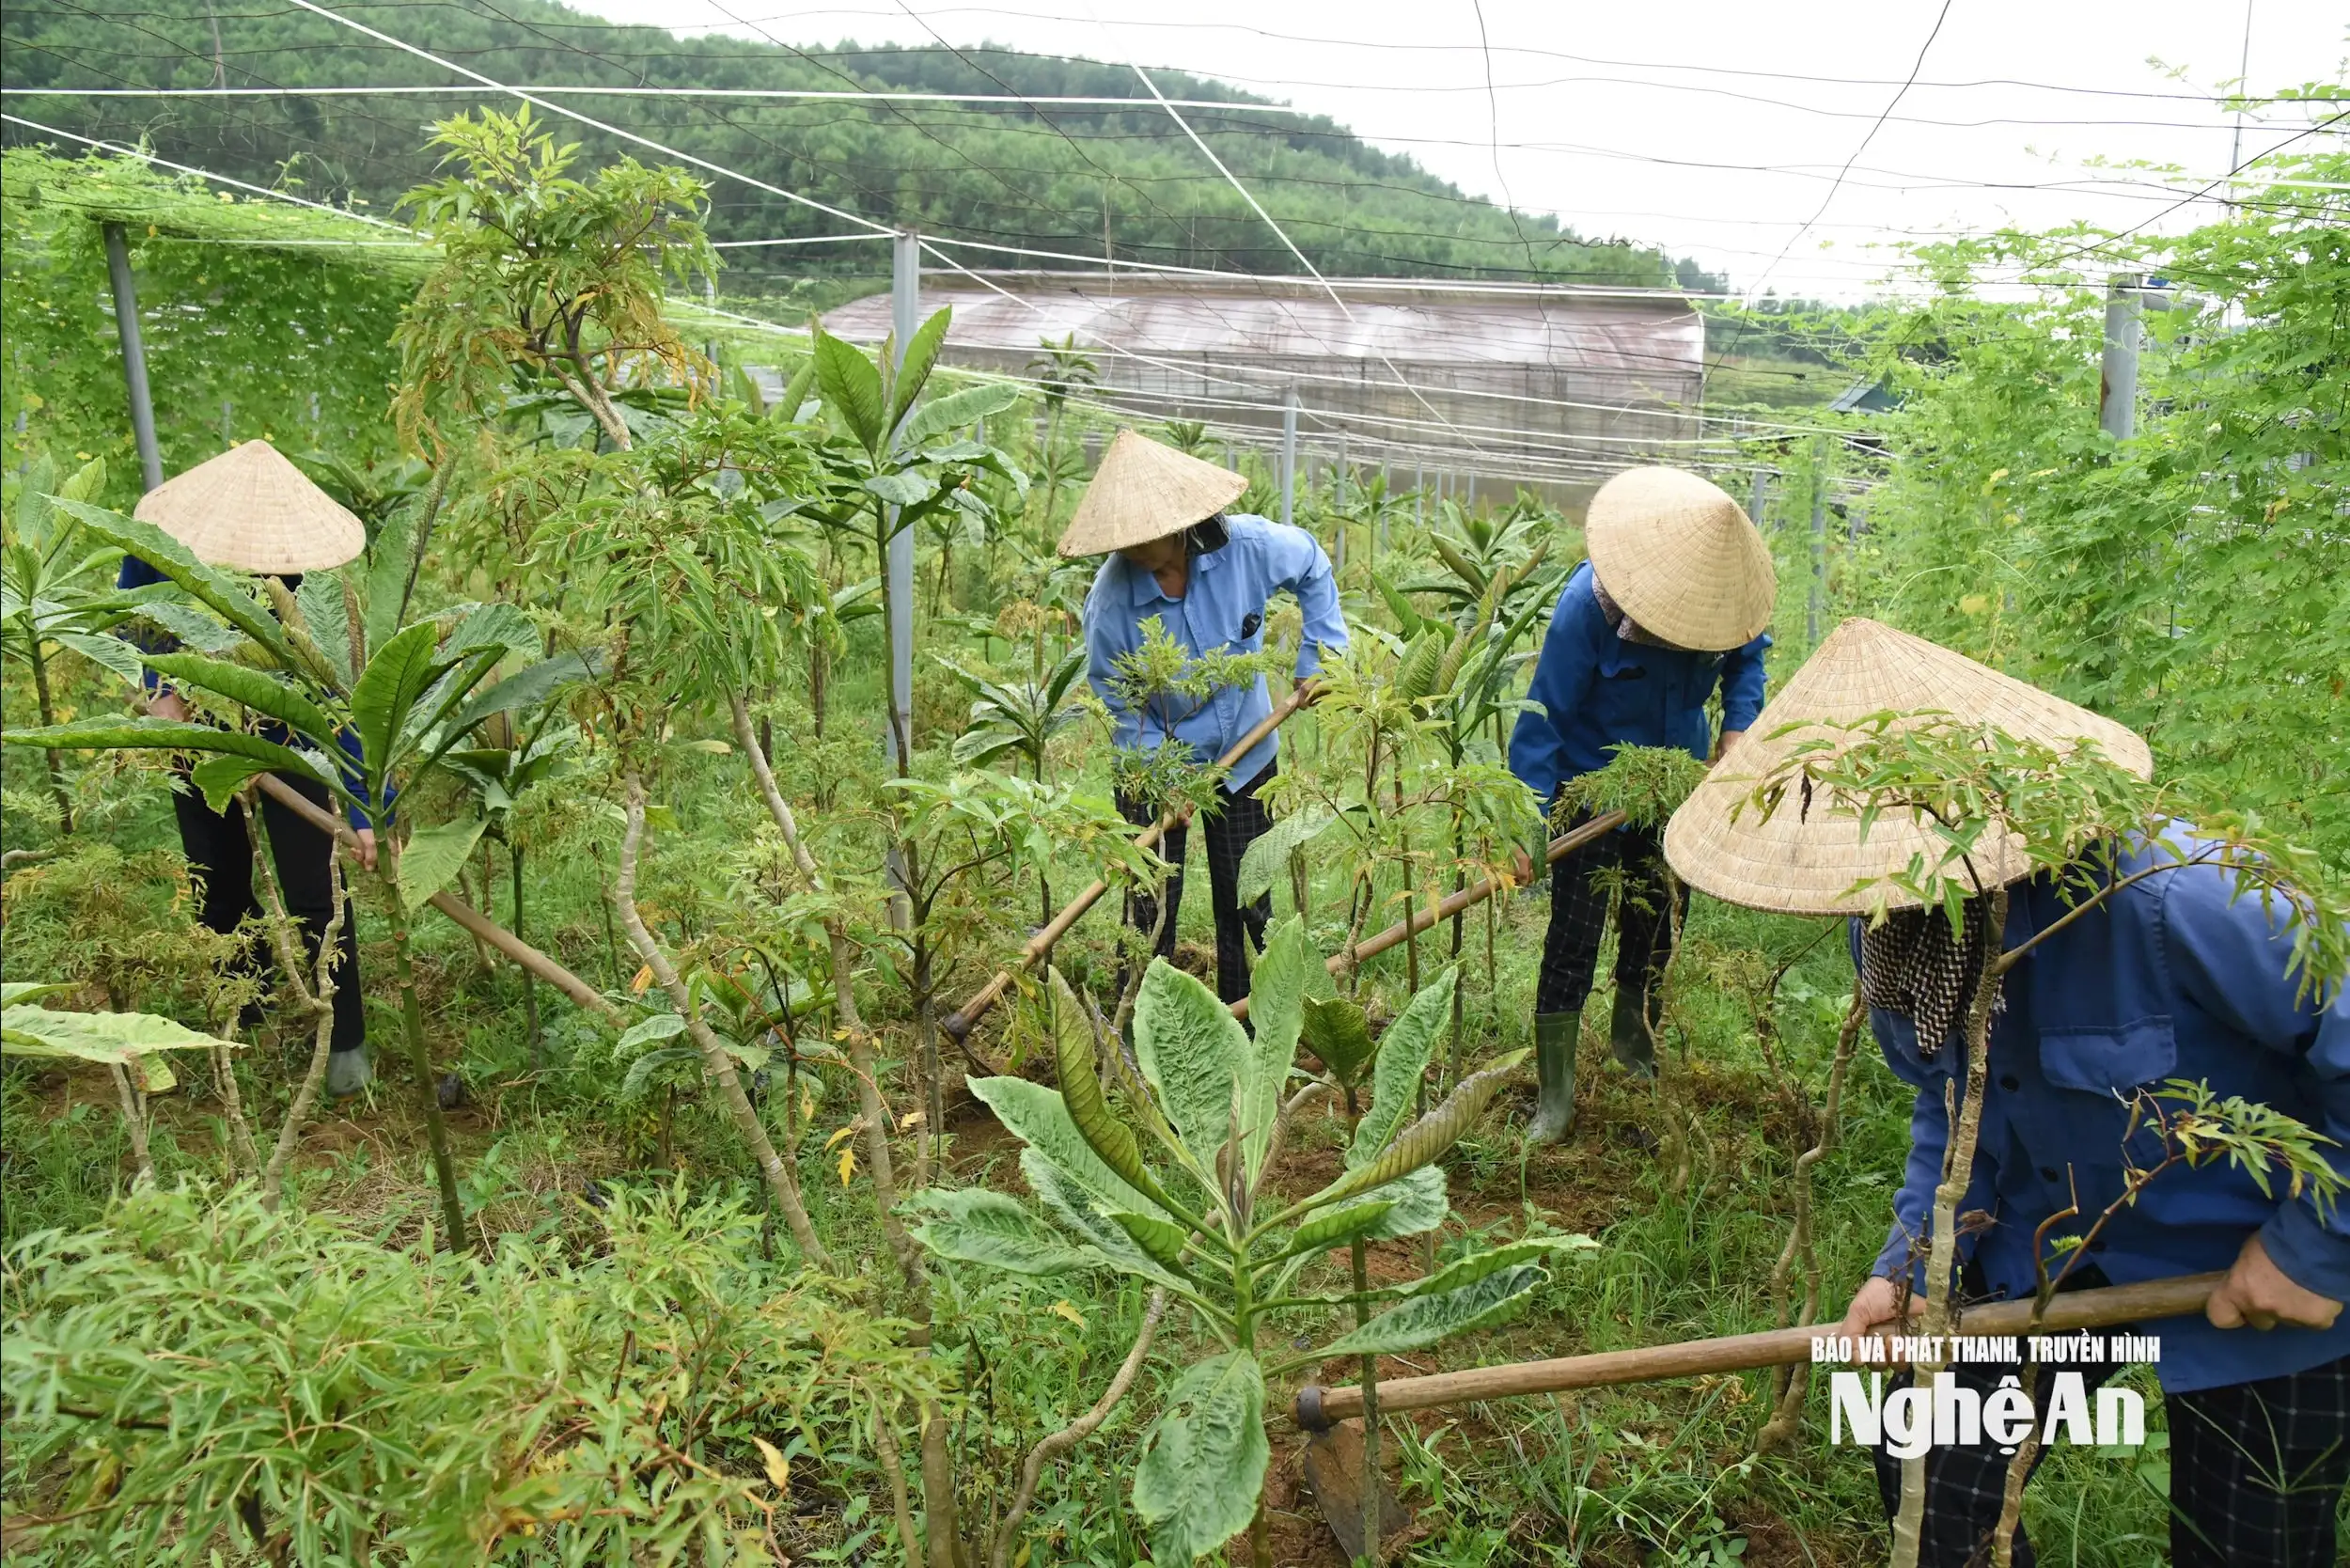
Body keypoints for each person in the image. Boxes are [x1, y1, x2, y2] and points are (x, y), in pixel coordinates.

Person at [1664, 617, 2350, 1568]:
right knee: (1926, 1463)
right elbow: (1952, 1106)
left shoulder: (2183, 899)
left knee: (2251, 1537)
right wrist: (1908, 1264)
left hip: (2253, 1263)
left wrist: (2313, 1248)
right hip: (2042, 1249)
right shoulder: (1896, 923)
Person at [1506, 466, 1775, 1141]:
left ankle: (1636, 1052)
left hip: (1673, 784)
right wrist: (1528, 819)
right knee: (1574, 936)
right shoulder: (1589, 606)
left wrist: (1738, 726)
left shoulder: (1726, 601)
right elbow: (1542, 716)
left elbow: (1749, 658)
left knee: (1656, 922)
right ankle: (1555, 1095)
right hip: (1589, 789)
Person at [119, 440, 381, 1096]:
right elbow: (139, 622)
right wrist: (161, 691)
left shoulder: (307, 572)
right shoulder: (160, 545)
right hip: (195, 720)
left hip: (292, 725)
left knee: (315, 891)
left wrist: (366, 802)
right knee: (216, 878)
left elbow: (344, 691)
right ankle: (246, 1007)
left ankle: (345, 1041)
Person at [1069, 431, 1347, 1004]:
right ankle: (1144, 1026)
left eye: (1143, 533)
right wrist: (1163, 780)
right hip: (1153, 761)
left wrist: (1320, 656)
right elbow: (1117, 705)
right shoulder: (1112, 603)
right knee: (1149, 908)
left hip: (1246, 752)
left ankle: (1248, 1023)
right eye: (1122, 538)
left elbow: (1312, 564)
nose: (1131, 548)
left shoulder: (1247, 548)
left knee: (1248, 901)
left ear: (1177, 522)